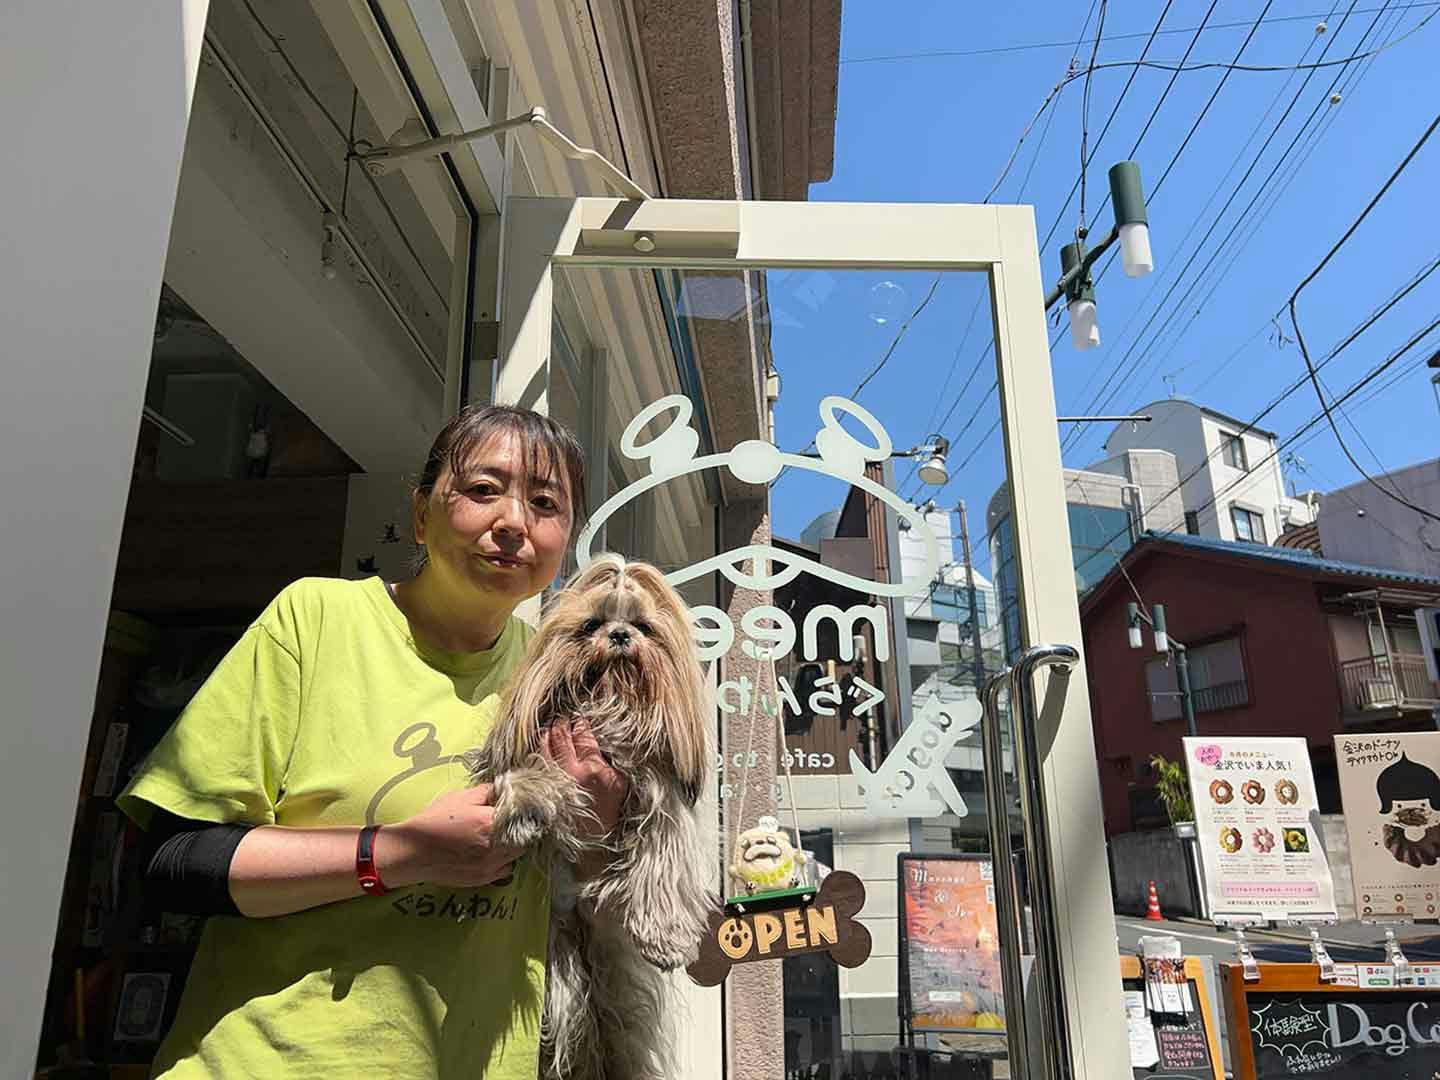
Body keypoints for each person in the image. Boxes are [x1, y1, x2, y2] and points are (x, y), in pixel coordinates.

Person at [118, 405, 628, 1078]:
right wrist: (398, 853)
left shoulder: (560, 678)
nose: (514, 522)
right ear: (422, 514)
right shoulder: (316, 622)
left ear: (566, 541)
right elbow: (173, 860)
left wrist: (601, 829)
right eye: (482, 490)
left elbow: (586, 903)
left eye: (545, 503)